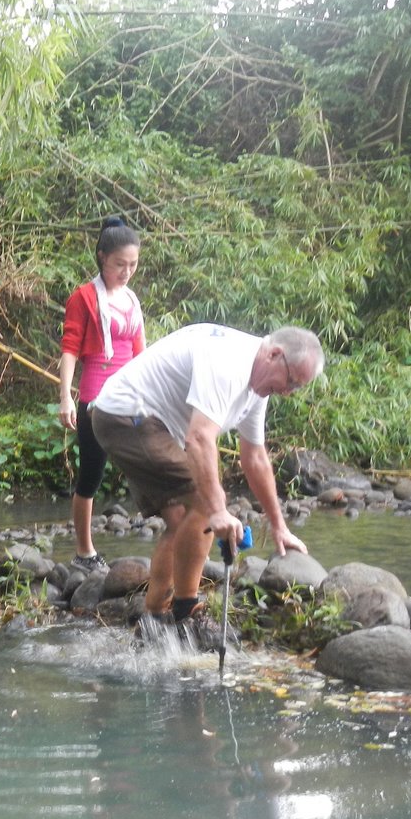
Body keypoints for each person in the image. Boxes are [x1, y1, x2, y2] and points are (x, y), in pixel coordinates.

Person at [89, 323, 323, 641]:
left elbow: (255, 458)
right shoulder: (229, 361)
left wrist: (279, 526)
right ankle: (186, 612)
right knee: (203, 504)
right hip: (128, 416)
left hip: (149, 424)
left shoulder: (258, 386)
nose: (288, 392)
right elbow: (199, 438)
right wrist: (217, 511)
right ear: (274, 354)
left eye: (297, 387)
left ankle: (154, 621)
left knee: (182, 520)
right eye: (291, 381)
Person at [58, 216, 146, 574]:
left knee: (151, 459)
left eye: (133, 265)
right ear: (102, 258)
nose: (126, 272)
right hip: (96, 396)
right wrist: (65, 396)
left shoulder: (131, 300)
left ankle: (169, 528)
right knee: (91, 474)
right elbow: (70, 349)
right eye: (119, 264)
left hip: (131, 393)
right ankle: (84, 550)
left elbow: (141, 353)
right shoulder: (83, 297)